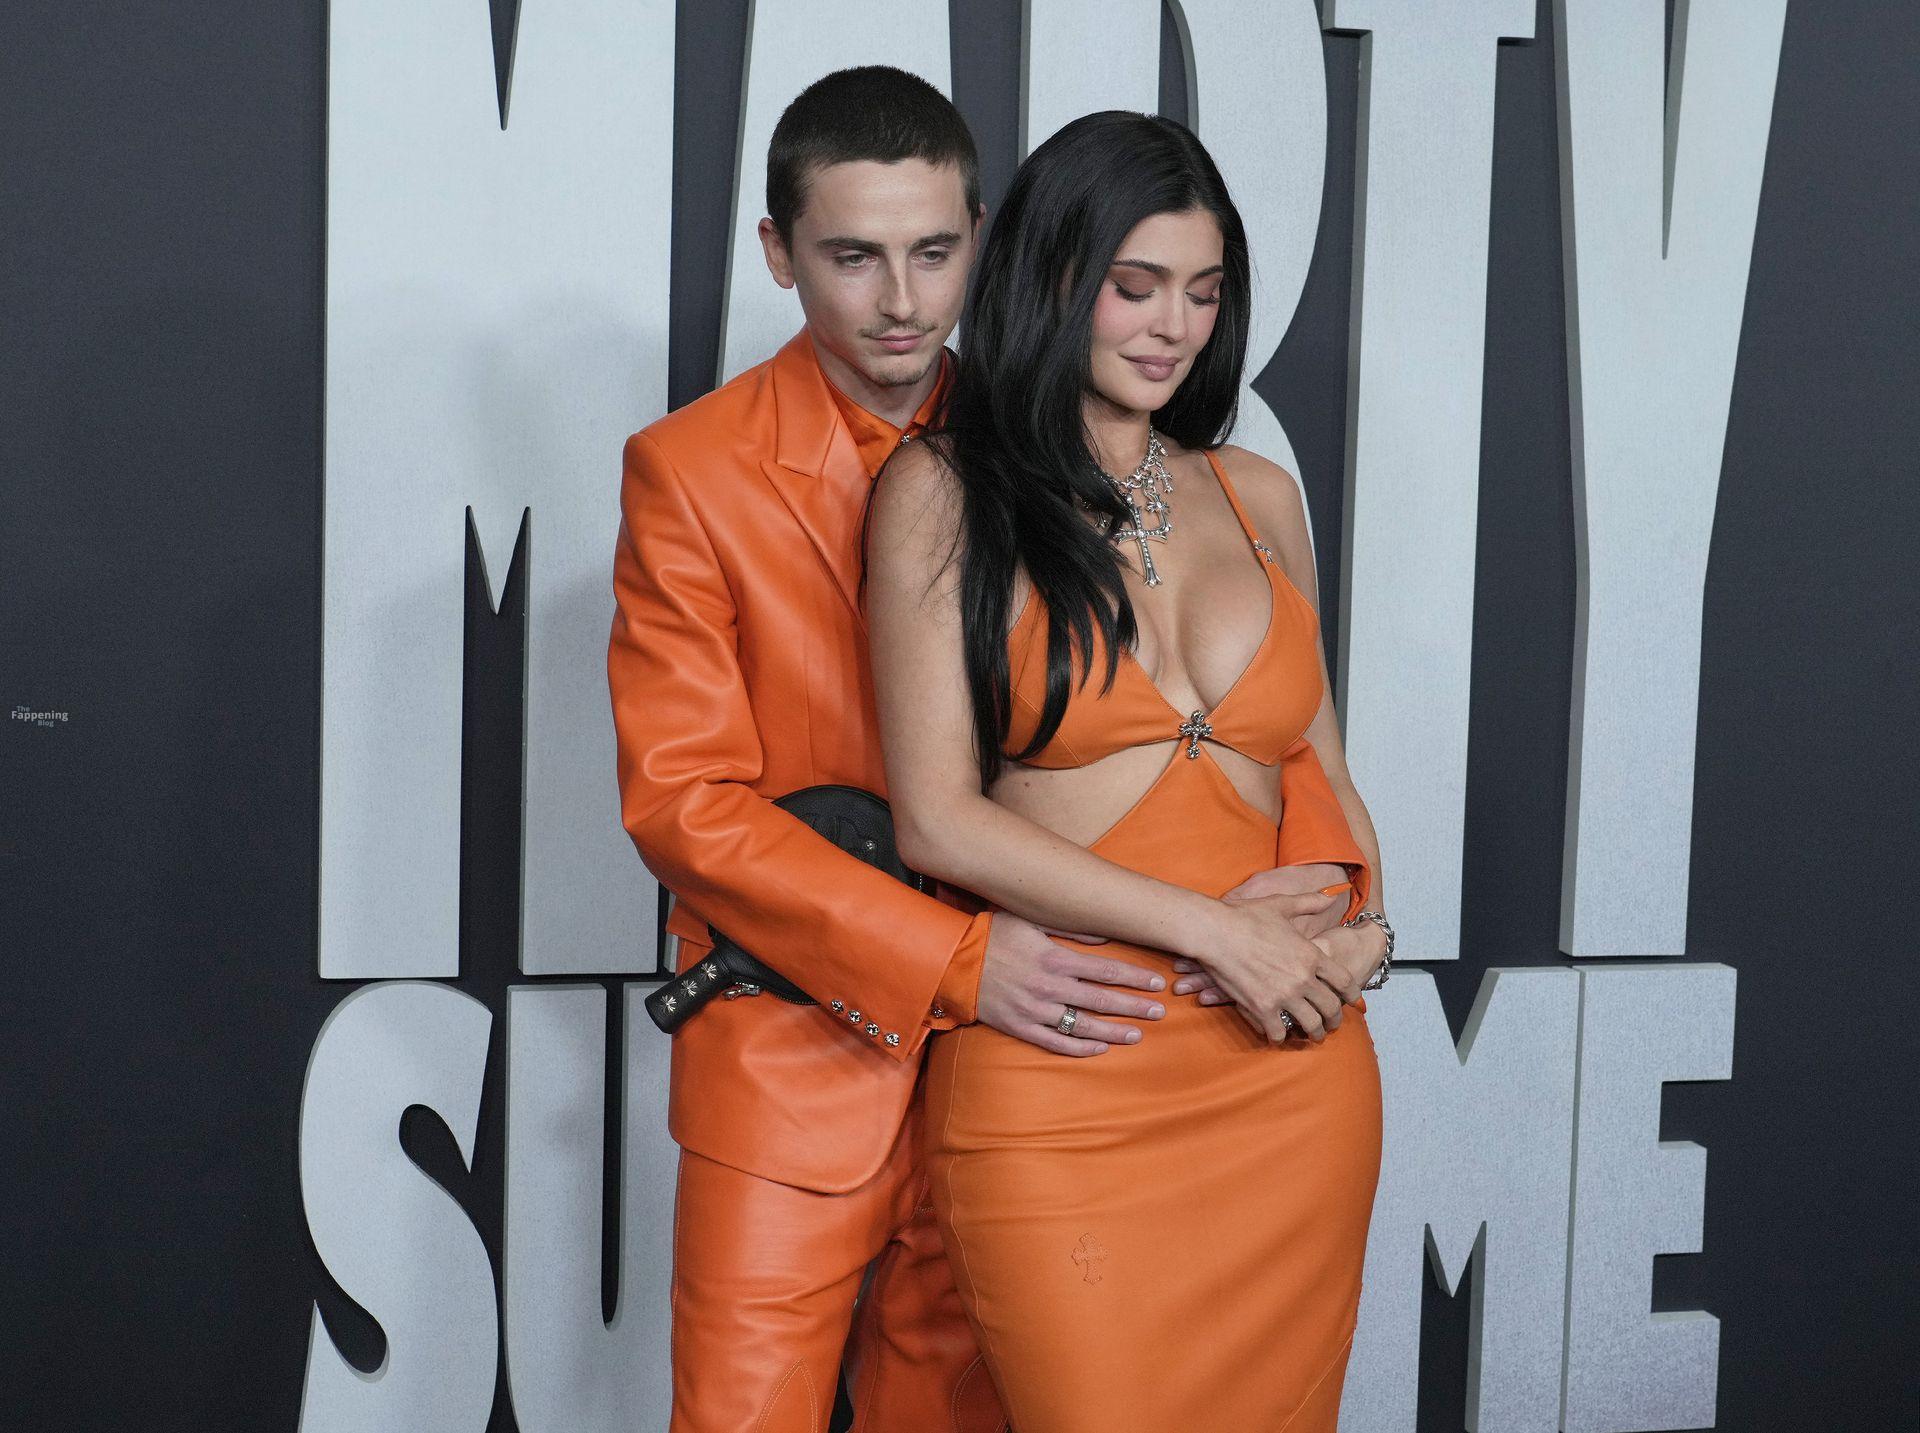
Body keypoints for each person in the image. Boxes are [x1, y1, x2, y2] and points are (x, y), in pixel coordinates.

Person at [863, 110, 1394, 1431]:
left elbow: (1324, 774)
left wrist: (1365, 933)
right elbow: (938, 819)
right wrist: (1213, 930)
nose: (1174, 326)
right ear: (1053, 277)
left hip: (1289, 1077)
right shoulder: (941, 490)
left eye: (1203, 292)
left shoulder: (1260, 495)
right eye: (1137, 285)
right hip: (1069, 1078)